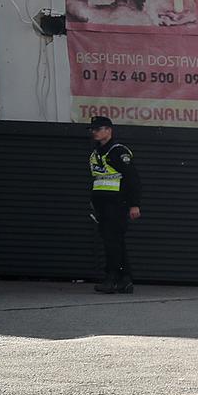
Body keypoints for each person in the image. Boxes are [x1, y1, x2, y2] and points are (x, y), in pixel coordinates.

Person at [87, 116, 142, 294]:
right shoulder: (95, 154)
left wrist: (134, 205)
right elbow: (97, 179)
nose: (94, 132)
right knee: (114, 242)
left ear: (109, 130)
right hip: (102, 204)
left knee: (113, 242)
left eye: (98, 128)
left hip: (117, 203)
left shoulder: (118, 151)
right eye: (92, 129)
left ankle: (111, 279)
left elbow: (133, 179)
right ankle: (125, 280)